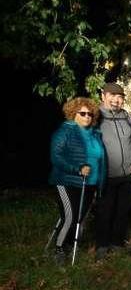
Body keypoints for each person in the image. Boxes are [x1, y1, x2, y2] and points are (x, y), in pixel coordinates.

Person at [48, 97, 106, 264]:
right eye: (82, 113)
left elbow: (101, 158)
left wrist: (101, 180)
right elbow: (56, 157)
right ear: (73, 114)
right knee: (70, 216)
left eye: (90, 113)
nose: (87, 116)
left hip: (90, 183)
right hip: (66, 181)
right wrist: (77, 168)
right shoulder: (64, 132)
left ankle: (69, 243)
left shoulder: (96, 134)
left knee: (79, 217)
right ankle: (59, 249)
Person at [93, 82, 131, 259]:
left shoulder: (129, 118)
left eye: (120, 97)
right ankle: (102, 244)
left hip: (128, 174)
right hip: (105, 175)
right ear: (103, 96)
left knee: (123, 210)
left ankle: (117, 242)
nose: (116, 100)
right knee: (104, 210)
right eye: (112, 96)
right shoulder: (95, 118)